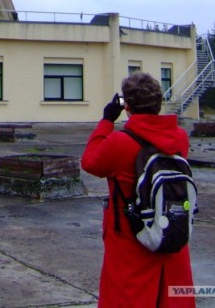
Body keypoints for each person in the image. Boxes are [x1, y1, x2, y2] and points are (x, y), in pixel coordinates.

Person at [81, 72, 195, 307]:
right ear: (158, 103)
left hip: (130, 240)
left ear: (128, 105)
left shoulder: (121, 142)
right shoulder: (180, 138)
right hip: (170, 233)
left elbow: (90, 162)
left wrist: (106, 121)